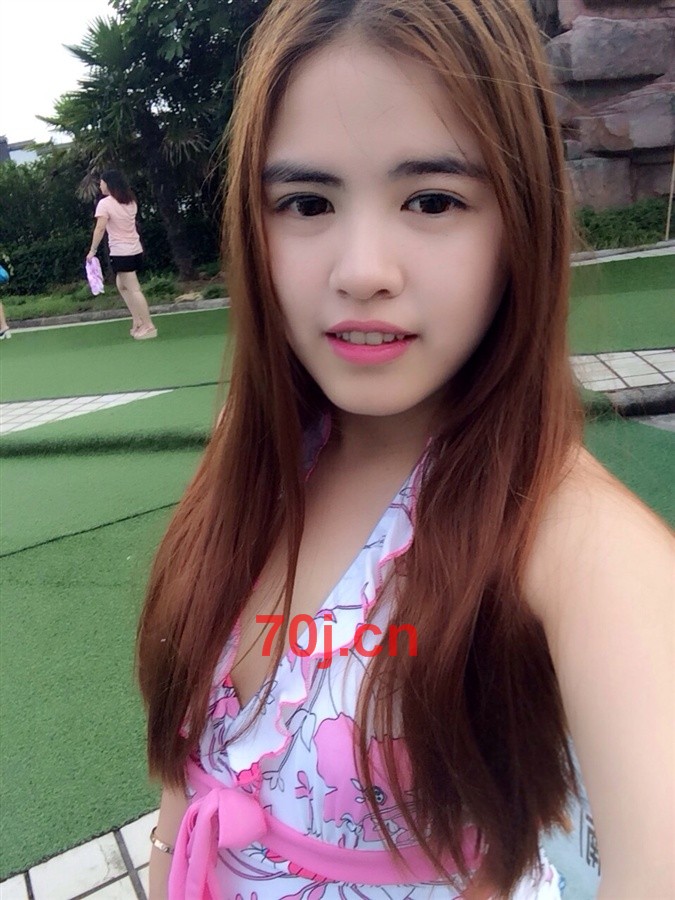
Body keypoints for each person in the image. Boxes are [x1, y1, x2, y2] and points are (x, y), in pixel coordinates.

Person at [136, 2, 674, 898]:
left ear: (520, 222)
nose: (362, 270)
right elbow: (182, 781)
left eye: (432, 200)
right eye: (306, 203)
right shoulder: (261, 451)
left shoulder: (574, 543)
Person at [87, 169, 157, 340]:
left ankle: (148, 325)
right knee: (122, 285)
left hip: (121, 252)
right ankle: (137, 320)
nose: (100, 186)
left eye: (102, 182)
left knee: (133, 289)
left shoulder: (105, 204)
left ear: (109, 184)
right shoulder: (130, 201)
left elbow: (100, 228)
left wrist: (92, 250)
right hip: (135, 249)